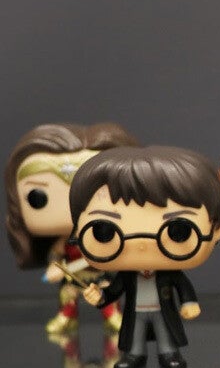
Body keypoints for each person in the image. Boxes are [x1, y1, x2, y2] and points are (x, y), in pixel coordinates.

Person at [75, 146, 220, 368]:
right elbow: (114, 290)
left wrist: (189, 303)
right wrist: (100, 296)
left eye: (178, 230)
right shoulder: (126, 274)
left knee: (166, 333)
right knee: (134, 335)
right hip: (135, 311)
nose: (142, 243)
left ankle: (169, 353)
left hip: (162, 310)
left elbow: (182, 285)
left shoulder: (169, 273)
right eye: (104, 230)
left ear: (217, 227)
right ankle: (134, 356)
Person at [5, 122, 137, 333]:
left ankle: (113, 316)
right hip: (73, 276)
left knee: (107, 294)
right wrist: (55, 267)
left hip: (100, 273)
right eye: (38, 198)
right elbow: (56, 255)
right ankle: (67, 317)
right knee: (67, 294)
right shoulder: (63, 242)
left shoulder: (104, 235)